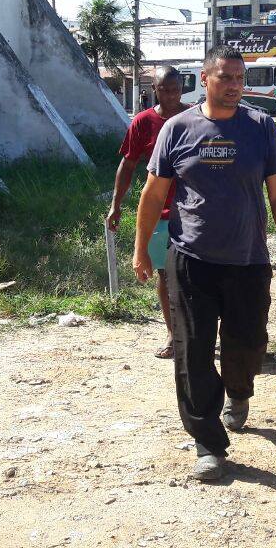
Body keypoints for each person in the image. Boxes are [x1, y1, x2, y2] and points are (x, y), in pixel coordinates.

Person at [133, 46, 276, 481]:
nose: (235, 86)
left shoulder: (261, 128)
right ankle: (208, 443)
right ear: (204, 79)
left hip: (247, 259)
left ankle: (239, 391)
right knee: (193, 352)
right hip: (192, 258)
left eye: (240, 79)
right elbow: (153, 194)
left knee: (246, 344)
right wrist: (140, 249)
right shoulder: (177, 129)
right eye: (226, 77)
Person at [107, 67, 190, 358]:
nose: (170, 95)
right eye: (164, 89)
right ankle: (172, 334)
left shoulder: (195, 117)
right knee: (165, 275)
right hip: (160, 213)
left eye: (176, 89)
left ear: (183, 88)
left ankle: (199, 331)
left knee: (197, 276)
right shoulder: (143, 122)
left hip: (194, 213)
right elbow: (127, 166)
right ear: (154, 89)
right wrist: (116, 205)